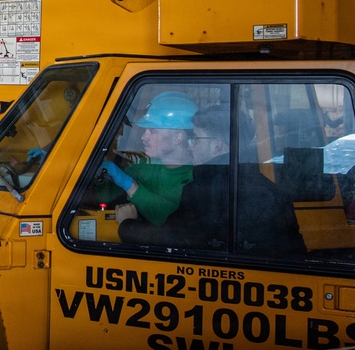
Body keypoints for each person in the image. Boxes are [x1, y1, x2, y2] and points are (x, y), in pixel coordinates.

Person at [119, 106, 306, 255]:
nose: (191, 146)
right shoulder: (271, 191)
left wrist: (127, 225)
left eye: (196, 139)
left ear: (216, 146)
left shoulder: (204, 189)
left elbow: (171, 238)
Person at [97, 91, 196, 226]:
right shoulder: (146, 166)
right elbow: (103, 196)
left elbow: (174, 220)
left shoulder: (195, 177)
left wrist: (130, 185)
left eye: (153, 131)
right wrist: (94, 173)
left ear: (177, 137)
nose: (144, 137)